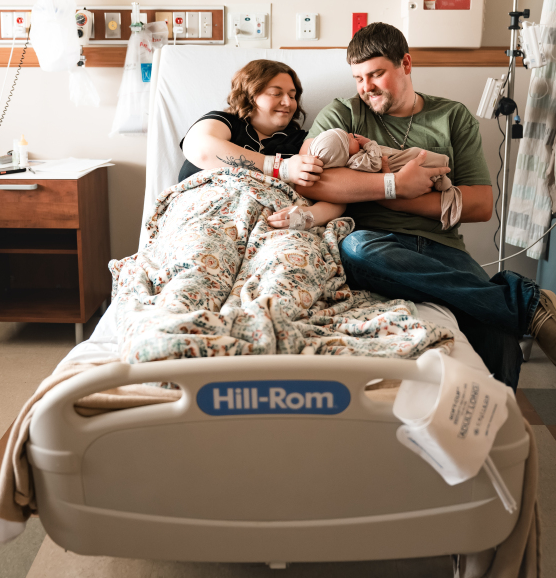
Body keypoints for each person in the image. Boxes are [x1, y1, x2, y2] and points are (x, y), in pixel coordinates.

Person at [301, 21, 556, 390]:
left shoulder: (452, 117)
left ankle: (494, 438)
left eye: (375, 74)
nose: (365, 87)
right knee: (354, 248)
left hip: (442, 247)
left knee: (500, 341)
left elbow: (481, 204)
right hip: (377, 242)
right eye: (358, 78)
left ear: (405, 63)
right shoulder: (343, 114)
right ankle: (526, 304)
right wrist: (393, 186)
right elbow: (310, 178)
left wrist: (407, 200)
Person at [179, 59, 345, 229]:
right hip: (206, 217)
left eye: (292, 96)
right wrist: (282, 168)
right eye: (276, 93)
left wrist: (307, 216)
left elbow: (337, 193)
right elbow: (199, 149)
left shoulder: (302, 142)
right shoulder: (226, 123)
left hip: (272, 228)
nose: (288, 102)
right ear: (250, 95)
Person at [306, 128, 461, 230]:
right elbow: (375, 163)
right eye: (348, 140)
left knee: (415, 157)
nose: (351, 135)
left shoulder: (354, 159)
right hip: (394, 170)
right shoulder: (356, 161)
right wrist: (369, 144)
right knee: (414, 155)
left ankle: (439, 176)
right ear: (342, 154)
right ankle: (440, 178)